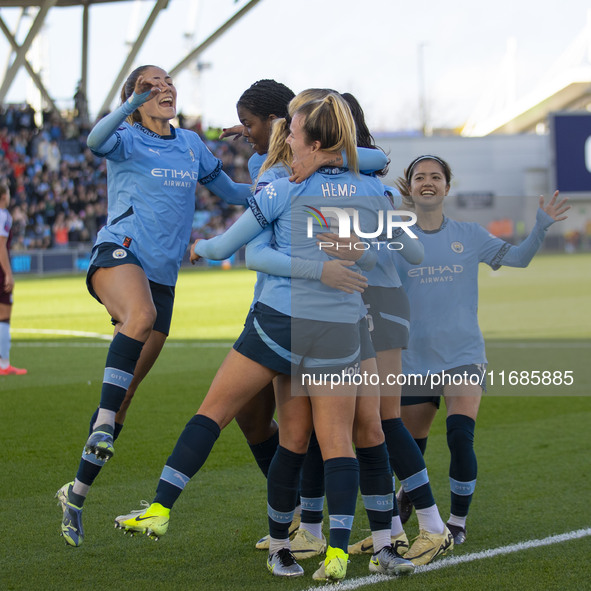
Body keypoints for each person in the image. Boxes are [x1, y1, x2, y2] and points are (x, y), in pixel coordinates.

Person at [115, 92, 413, 583]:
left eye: (292, 132)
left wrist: (201, 246)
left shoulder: (279, 187)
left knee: (237, 418)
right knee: (340, 439)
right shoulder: (364, 188)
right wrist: (353, 254)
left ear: (312, 141)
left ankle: (179, 512)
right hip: (337, 332)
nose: (284, 138)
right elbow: (393, 254)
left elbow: (234, 249)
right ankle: (345, 549)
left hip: (279, 322)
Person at [55, 65, 253, 548]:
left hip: (162, 279)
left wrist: (284, 193)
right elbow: (93, 140)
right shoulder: (123, 135)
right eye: (152, 84)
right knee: (138, 317)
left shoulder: (190, 143)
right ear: (137, 97)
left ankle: (75, 494)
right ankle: (101, 425)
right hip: (119, 253)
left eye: (168, 82)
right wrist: (128, 103)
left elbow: (233, 193)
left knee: (125, 397)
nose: (164, 88)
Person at [393, 155, 569, 545]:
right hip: (413, 357)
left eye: (435, 177)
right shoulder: (395, 238)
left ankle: (456, 522)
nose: (428, 182)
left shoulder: (470, 234)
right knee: (409, 446)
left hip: (463, 355)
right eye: (419, 176)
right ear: (409, 187)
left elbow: (518, 259)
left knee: (459, 434)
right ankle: (408, 492)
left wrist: (540, 227)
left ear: (446, 187)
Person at [0, 182, 27, 376]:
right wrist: (8, 273)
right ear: (3, 196)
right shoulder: (4, 216)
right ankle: (4, 364)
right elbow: (1, 246)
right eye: (8, 193)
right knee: (3, 317)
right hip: (0, 271)